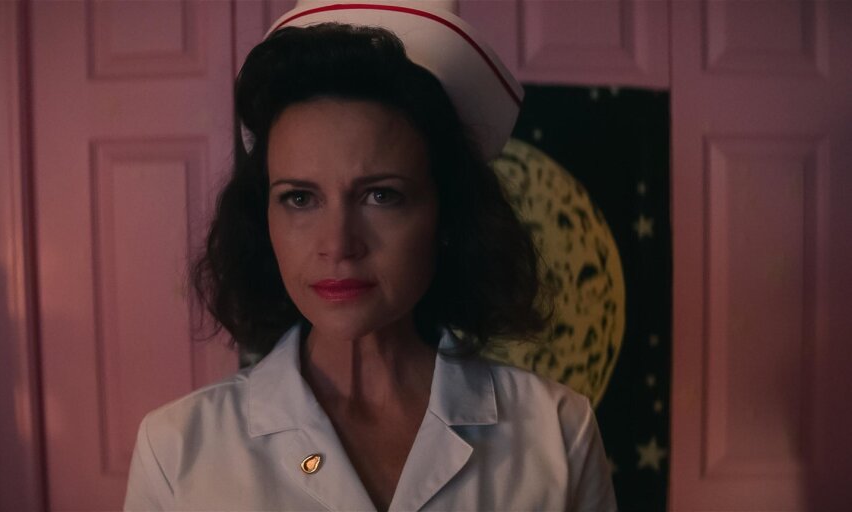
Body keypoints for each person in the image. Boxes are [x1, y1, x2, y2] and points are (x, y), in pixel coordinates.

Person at [124, 1, 617, 510]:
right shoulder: (177, 451)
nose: (338, 244)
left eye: (381, 195)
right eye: (300, 198)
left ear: (448, 214)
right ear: (262, 220)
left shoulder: (556, 433)